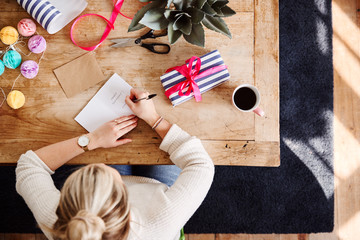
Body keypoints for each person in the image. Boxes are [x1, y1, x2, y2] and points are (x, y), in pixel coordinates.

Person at [16, 88, 215, 240]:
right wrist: (154, 119)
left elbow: (29, 166)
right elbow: (201, 165)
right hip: (153, 193)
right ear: (125, 201)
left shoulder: (60, 222)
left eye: (86, 173)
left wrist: (92, 140)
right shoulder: (159, 223)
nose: (102, 165)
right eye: (111, 177)